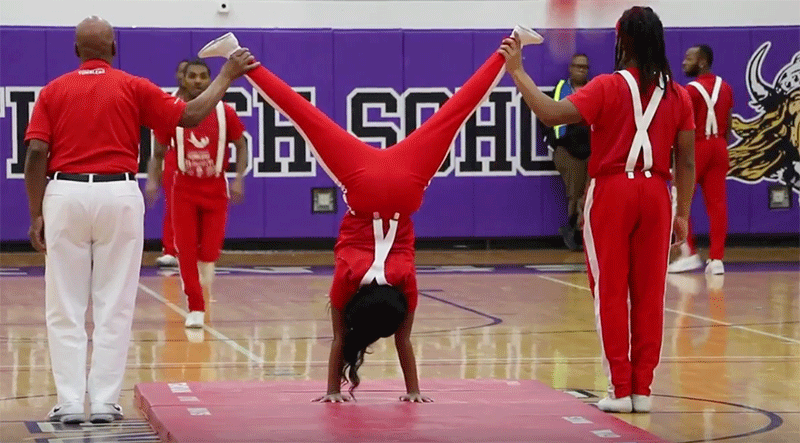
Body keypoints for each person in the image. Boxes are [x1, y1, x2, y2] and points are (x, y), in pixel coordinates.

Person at [197, 26, 543, 402]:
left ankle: (511, 44)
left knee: (455, 111)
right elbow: (346, 340)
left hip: (405, 186)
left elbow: (404, 340)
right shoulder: (347, 279)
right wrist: (332, 390)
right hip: (364, 187)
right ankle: (237, 54)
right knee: (304, 116)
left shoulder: (403, 279)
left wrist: (415, 391)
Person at [23, 16, 256, 424]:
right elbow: (190, 116)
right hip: (118, 192)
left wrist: (35, 211)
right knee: (114, 303)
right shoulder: (133, 85)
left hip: (65, 193)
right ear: (114, 49)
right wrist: (227, 76)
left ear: (77, 51)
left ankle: (71, 401)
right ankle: (107, 402)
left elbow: (36, 155)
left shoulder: (53, 91)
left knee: (65, 304)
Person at [499, 6, 696, 413]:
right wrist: (683, 214)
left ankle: (619, 390)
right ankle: (643, 390)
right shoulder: (678, 94)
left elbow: (550, 113)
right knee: (649, 295)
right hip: (658, 194)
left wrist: (517, 71)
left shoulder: (607, 86)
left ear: (623, 41)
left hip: (612, 192)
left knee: (610, 291)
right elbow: (687, 163)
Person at [146, 58, 249, 329]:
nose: (198, 81)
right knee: (187, 251)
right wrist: (152, 180)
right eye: (192, 76)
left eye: (203, 76)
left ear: (210, 79)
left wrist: (238, 178)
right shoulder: (172, 113)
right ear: (183, 79)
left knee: (210, 252)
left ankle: (202, 282)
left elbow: (241, 145)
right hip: (184, 190)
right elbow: (157, 153)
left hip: (215, 188)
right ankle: (196, 307)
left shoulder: (225, 112)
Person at [669, 44, 733, 275]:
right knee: (717, 205)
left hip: (696, 147)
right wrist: (721, 146)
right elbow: (729, 122)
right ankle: (717, 259)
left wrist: (677, 157)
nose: (684, 62)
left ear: (702, 62)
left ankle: (688, 253)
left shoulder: (689, 91)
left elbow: (680, 127)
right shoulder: (725, 87)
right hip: (720, 146)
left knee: (679, 202)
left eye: (689, 58)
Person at [546, 53, 591, 251]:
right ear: (570, 69)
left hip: (592, 149)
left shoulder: (594, 89)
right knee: (575, 193)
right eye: (578, 66)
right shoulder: (560, 91)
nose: (581, 70)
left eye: (585, 67)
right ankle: (572, 230)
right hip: (568, 149)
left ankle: (585, 231)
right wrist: (556, 143)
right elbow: (548, 116)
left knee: (590, 194)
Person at [155, 58, 190, 268]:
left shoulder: (209, 101)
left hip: (201, 156)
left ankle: (195, 250)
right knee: (173, 207)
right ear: (179, 76)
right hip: (175, 156)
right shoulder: (168, 101)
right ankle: (170, 249)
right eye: (183, 72)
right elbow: (159, 140)